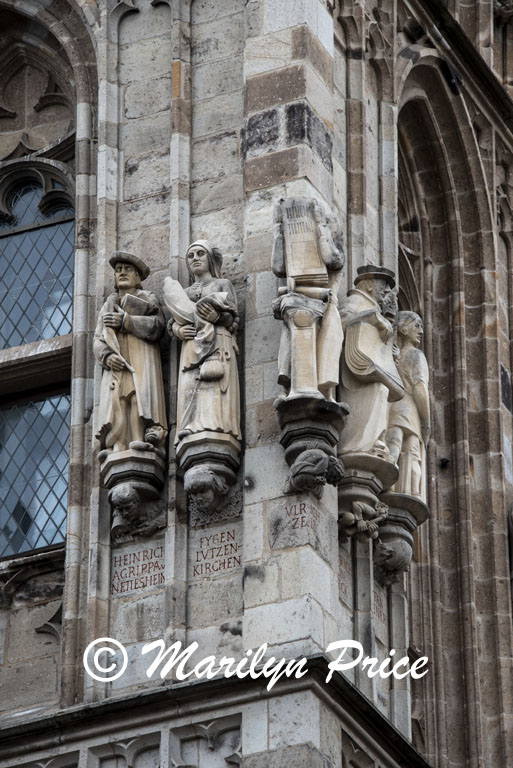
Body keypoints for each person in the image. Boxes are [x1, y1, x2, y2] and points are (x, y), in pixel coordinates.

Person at [163, 240, 241, 444]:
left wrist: (217, 317)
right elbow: (173, 323)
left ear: (210, 258)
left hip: (218, 343)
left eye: (200, 253)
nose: (195, 258)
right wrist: (179, 330)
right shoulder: (185, 292)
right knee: (191, 387)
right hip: (191, 347)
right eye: (191, 256)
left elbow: (233, 319)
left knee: (214, 386)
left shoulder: (222, 284)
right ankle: (189, 427)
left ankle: (217, 427)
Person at [94, 252, 167, 457]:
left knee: (137, 397)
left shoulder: (148, 299)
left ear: (137, 277)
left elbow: (157, 326)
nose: (122, 273)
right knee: (118, 400)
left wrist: (126, 321)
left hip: (141, 358)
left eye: (128, 269)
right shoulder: (108, 305)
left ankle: (138, 439)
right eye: (118, 270)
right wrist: (107, 357)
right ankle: (118, 445)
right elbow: (97, 339)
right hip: (117, 362)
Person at [386, 311, 430, 497]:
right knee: (412, 453)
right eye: (417, 325)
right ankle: (413, 493)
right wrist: (426, 419)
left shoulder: (391, 356)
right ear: (404, 329)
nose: (421, 331)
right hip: (410, 410)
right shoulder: (416, 355)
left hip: (392, 409)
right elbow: (420, 388)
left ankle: (388, 485)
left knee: (393, 445)